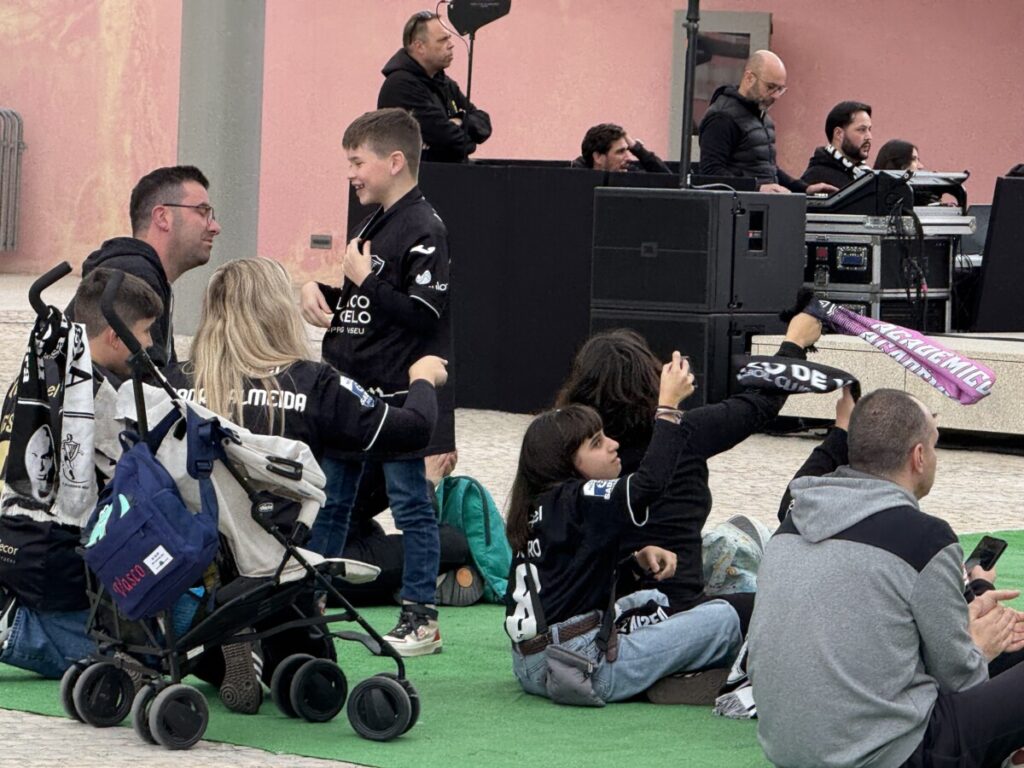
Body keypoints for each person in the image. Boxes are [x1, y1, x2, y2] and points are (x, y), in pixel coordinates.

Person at [170, 256, 446, 711]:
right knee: (314, 688)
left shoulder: (177, 385)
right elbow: (413, 429)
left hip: (201, 559)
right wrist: (423, 379)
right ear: (276, 311)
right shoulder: (310, 382)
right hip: (279, 560)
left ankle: (225, 650)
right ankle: (272, 652)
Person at [749, 388, 1024, 768]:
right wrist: (979, 645)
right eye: (935, 446)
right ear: (919, 456)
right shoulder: (924, 539)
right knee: (1004, 652)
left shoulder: (791, 526)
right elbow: (961, 678)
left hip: (789, 751)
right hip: (892, 754)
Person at [556, 313, 823, 630]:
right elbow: (759, 405)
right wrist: (793, 343)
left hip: (595, 609)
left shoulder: (566, 445)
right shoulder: (680, 436)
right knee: (790, 604)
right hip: (670, 612)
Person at [300, 108, 453, 656]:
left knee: (411, 505)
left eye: (356, 161)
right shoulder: (375, 221)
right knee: (331, 503)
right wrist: (327, 293)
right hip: (349, 393)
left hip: (392, 401)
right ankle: (306, 603)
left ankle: (420, 618)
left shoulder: (425, 227)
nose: (352, 173)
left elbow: (422, 315)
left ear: (394, 161)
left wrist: (364, 279)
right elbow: (371, 302)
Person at [504, 353, 743, 705]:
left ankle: (664, 666)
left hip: (529, 665)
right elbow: (649, 485)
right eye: (597, 443)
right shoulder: (578, 497)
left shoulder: (536, 506)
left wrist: (634, 561)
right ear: (566, 462)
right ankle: (677, 677)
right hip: (582, 667)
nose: (613, 444)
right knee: (724, 618)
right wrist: (669, 407)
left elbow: (567, 582)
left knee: (653, 599)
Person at [0, 269, 162, 679]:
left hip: (13, 537)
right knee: (146, 655)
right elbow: (133, 475)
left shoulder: (33, 377)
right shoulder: (100, 395)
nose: (151, 344)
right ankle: (16, 630)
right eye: (145, 332)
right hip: (60, 557)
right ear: (114, 336)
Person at [67, 165, 221, 373]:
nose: (214, 227)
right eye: (203, 212)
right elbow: (147, 389)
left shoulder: (142, 274)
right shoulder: (134, 278)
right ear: (162, 217)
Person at [698, 50, 836, 195]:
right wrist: (758, 188)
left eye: (780, 89)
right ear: (749, 78)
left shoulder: (761, 115)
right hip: (737, 210)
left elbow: (768, 169)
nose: (776, 96)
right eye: (770, 87)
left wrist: (804, 188)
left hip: (760, 206)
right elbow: (711, 173)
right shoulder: (722, 117)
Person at [378, 11, 491, 163]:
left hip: (447, 179)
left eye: (449, 38)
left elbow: (483, 123)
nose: (451, 44)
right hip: (418, 182)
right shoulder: (401, 86)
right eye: (443, 40)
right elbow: (449, 140)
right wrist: (467, 133)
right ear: (420, 47)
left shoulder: (443, 82)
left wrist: (460, 121)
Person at [800, 100, 873, 189]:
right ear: (838, 134)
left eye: (869, 129)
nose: (869, 137)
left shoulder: (865, 175)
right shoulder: (817, 178)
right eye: (862, 130)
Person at [570, 123, 670, 173]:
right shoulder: (574, 182)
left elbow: (668, 183)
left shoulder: (630, 174)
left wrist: (637, 148)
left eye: (628, 150)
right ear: (598, 157)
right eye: (620, 152)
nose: (628, 158)